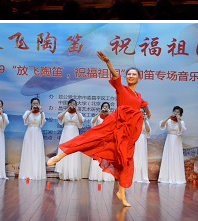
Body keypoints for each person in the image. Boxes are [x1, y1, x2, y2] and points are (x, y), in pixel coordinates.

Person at [48, 51, 152, 207]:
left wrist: (148, 112)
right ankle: (60, 156)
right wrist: (108, 62)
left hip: (128, 134)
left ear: (139, 78)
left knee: (126, 161)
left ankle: (121, 193)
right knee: (90, 138)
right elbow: (116, 76)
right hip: (115, 124)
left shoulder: (139, 96)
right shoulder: (122, 89)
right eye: (129, 74)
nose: (130, 76)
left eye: (134, 74)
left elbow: (143, 104)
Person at [53, 98, 84, 181]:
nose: (72, 105)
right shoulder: (66, 113)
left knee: (73, 152)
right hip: (66, 133)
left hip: (74, 133)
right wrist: (67, 109)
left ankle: (72, 174)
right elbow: (59, 117)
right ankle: (64, 173)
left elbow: (81, 121)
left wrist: (77, 111)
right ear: (68, 105)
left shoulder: (78, 114)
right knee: (64, 151)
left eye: (74, 104)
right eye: (71, 104)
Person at [19, 98, 46, 180]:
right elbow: (24, 118)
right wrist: (31, 111)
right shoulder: (28, 112)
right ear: (31, 104)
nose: (35, 105)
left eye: (37, 103)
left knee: (37, 151)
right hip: (29, 132)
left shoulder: (41, 113)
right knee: (29, 151)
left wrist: (41, 111)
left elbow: (43, 122)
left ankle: (36, 173)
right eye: (34, 103)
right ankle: (27, 173)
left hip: (37, 132)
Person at [158, 106, 187, 184]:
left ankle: (177, 178)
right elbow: (162, 125)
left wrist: (179, 120)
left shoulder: (182, 122)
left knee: (176, 157)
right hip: (169, 139)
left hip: (177, 140)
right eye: (175, 112)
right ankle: (166, 177)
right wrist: (168, 117)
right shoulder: (169, 121)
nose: (176, 113)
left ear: (180, 114)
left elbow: (181, 131)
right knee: (169, 156)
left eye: (178, 112)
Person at [88, 103, 115, 182]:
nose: (105, 108)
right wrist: (99, 113)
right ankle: (96, 175)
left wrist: (110, 114)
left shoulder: (111, 116)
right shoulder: (99, 117)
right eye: (104, 107)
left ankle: (106, 175)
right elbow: (92, 122)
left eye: (106, 107)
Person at [133, 108, 151, 183]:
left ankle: (142, 176)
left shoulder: (145, 121)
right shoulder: (134, 120)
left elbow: (148, 130)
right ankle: (134, 176)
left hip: (142, 139)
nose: (141, 114)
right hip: (135, 139)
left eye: (142, 112)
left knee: (142, 156)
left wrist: (145, 121)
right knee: (135, 157)